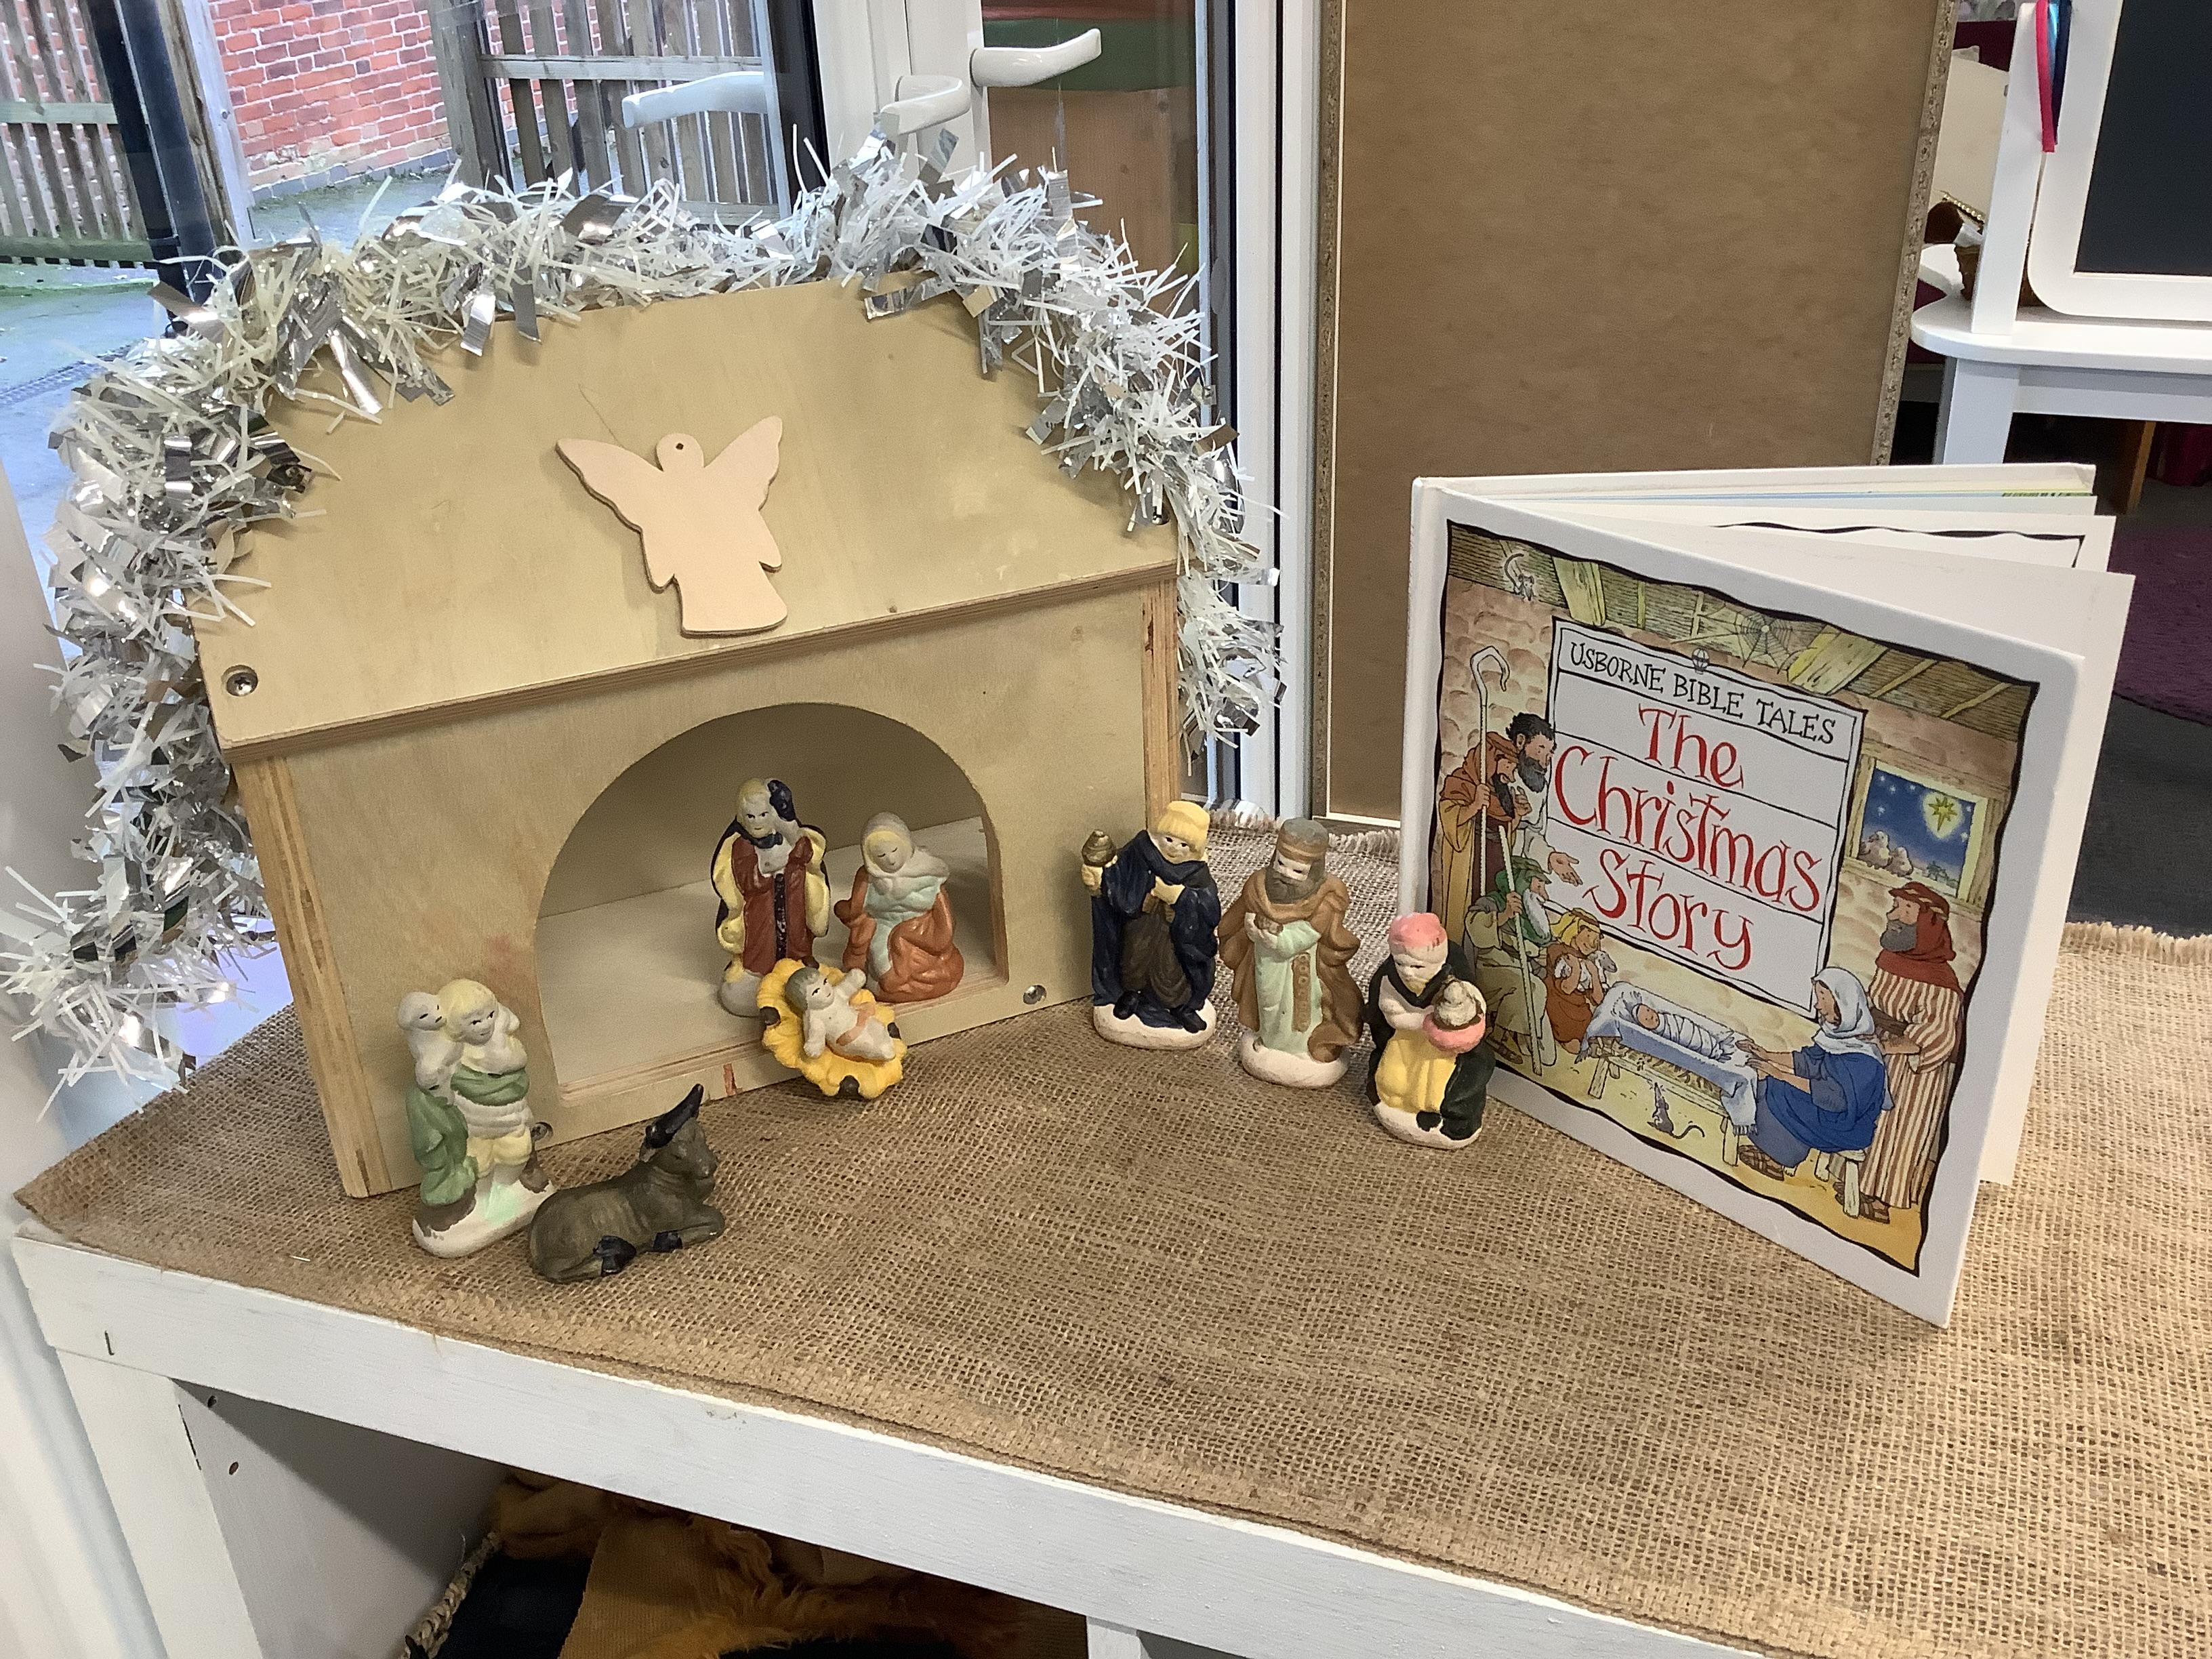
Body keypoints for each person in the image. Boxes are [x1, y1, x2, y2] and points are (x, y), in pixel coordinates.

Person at [1216, 818, 1364, 1072]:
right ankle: (1270, 1040)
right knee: (1267, 1002)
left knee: (1294, 1011)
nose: (1285, 874)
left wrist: (1277, 939)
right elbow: (1246, 914)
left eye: (1297, 871)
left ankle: (1297, 1047)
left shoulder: (1325, 899)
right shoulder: (1259, 886)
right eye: (1281, 864)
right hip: (1264, 961)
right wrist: (1253, 928)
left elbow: (1307, 934)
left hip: (1299, 968)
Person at [1856, 881, 1966, 1224]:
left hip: (1913, 1071)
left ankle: (1883, 1198)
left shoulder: (1941, 981)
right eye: (1896, 908)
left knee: (1899, 1128)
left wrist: (1891, 1046)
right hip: (1879, 1050)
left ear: (1927, 925)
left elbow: (1938, 1032)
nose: (1893, 916)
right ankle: (1855, 1183)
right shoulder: (1889, 960)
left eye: (1905, 911)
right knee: (1868, 1116)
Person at [1738, 967, 1891, 1194]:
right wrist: (1766, 1054)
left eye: (1823, 998)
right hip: (1830, 1115)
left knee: (1778, 1089)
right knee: (1771, 1086)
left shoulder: (1865, 1060)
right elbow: (1808, 1062)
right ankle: (1774, 1151)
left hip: (1845, 1126)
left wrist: (1780, 1074)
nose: (1818, 1006)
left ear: (1842, 1002)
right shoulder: (1838, 1039)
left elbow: (1834, 1099)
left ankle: (1778, 1159)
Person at [1431, 711, 1581, 941]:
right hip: (1471, 862)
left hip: (1498, 865)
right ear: (1521, 742)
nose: (1547, 759)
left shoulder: (1525, 786)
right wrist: (1474, 806)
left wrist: (1548, 856)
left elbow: (1518, 835)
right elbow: (1450, 819)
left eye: (1551, 752)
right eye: (1541, 749)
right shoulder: (1487, 770)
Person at [1084, 801, 1221, 1032]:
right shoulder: (1140, 851)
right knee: (1133, 960)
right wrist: (1102, 877)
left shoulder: (1197, 873)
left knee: (1171, 972)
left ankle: (1180, 1006)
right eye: (1169, 840)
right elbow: (1119, 875)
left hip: (1173, 936)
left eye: (1184, 845)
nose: (1174, 849)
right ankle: (1131, 994)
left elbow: (1209, 908)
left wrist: (1180, 897)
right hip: (1140, 925)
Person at [712, 778, 831, 1015]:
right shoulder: (742, 845)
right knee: (761, 938)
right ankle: (760, 970)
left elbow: (806, 853)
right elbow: (747, 877)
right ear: (741, 817)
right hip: (761, 905)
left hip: (792, 895)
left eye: (763, 815)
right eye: (751, 817)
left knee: (797, 930)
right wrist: (769, 867)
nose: (757, 822)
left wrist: (791, 838)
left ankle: (799, 960)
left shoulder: (788, 835)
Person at [834, 813, 963, 1002]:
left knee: (924, 963)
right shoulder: (869, 879)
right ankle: (888, 981)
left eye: (894, 850)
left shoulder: (928, 874)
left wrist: (939, 937)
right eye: (881, 855)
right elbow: (856, 908)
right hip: (885, 925)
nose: (891, 860)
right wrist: (844, 910)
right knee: (879, 957)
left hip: (922, 930)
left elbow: (945, 918)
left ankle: (903, 979)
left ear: (905, 844)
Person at [1542, 908, 1609, 1050]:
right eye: (1588, 935)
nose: (1592, 944)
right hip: (1558, 1001)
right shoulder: (1557, 950)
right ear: (1574, 930)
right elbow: (1566, 988)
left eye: (1596, 940)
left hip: (1580, 1007)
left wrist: (1595, 974)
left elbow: (1598, 999)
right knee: (1575, 1045)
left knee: (1592, 1032)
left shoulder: (1590, 962)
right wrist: (1576, 969)